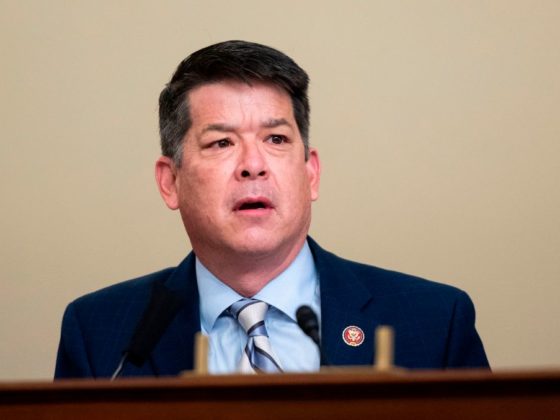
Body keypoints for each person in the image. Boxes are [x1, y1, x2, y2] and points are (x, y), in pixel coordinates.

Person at [55, 40, 489, 379]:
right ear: (171, 182)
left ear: (311, 173)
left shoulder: (433, 321)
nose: (253, 164)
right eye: (221, 142)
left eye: (276, 139)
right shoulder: (100, 332)